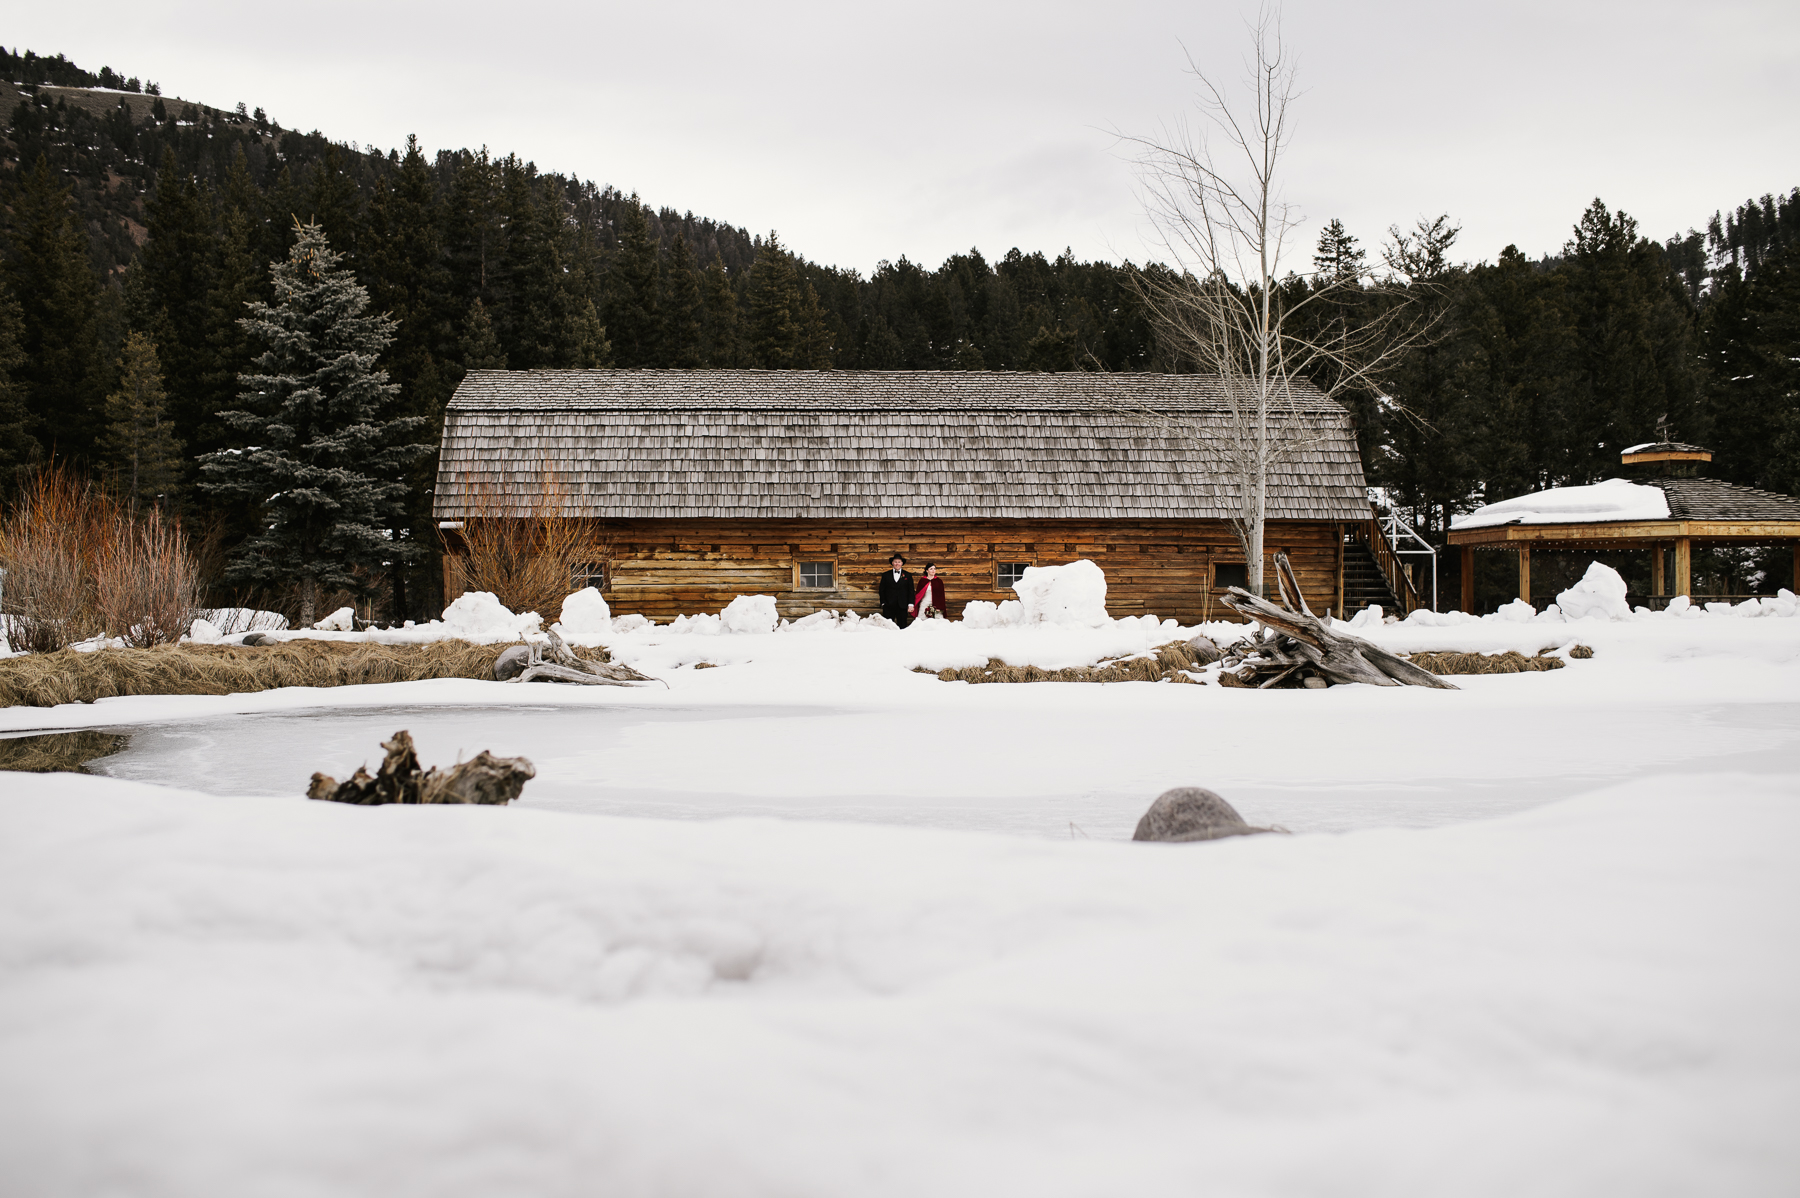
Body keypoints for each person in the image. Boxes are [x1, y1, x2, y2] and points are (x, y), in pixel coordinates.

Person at [877, 554, 914, 627]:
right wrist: (883, 602)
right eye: (895, 562)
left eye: (899, 562)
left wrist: (910, 604)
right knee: (888, 626)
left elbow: (911, 591)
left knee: (902, 625)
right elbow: (882, 590)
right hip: (889, 605)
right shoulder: (885, 575)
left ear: (902, 563)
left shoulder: (908, 575)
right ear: (892, 563)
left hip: (902, 605)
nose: (897, 563)